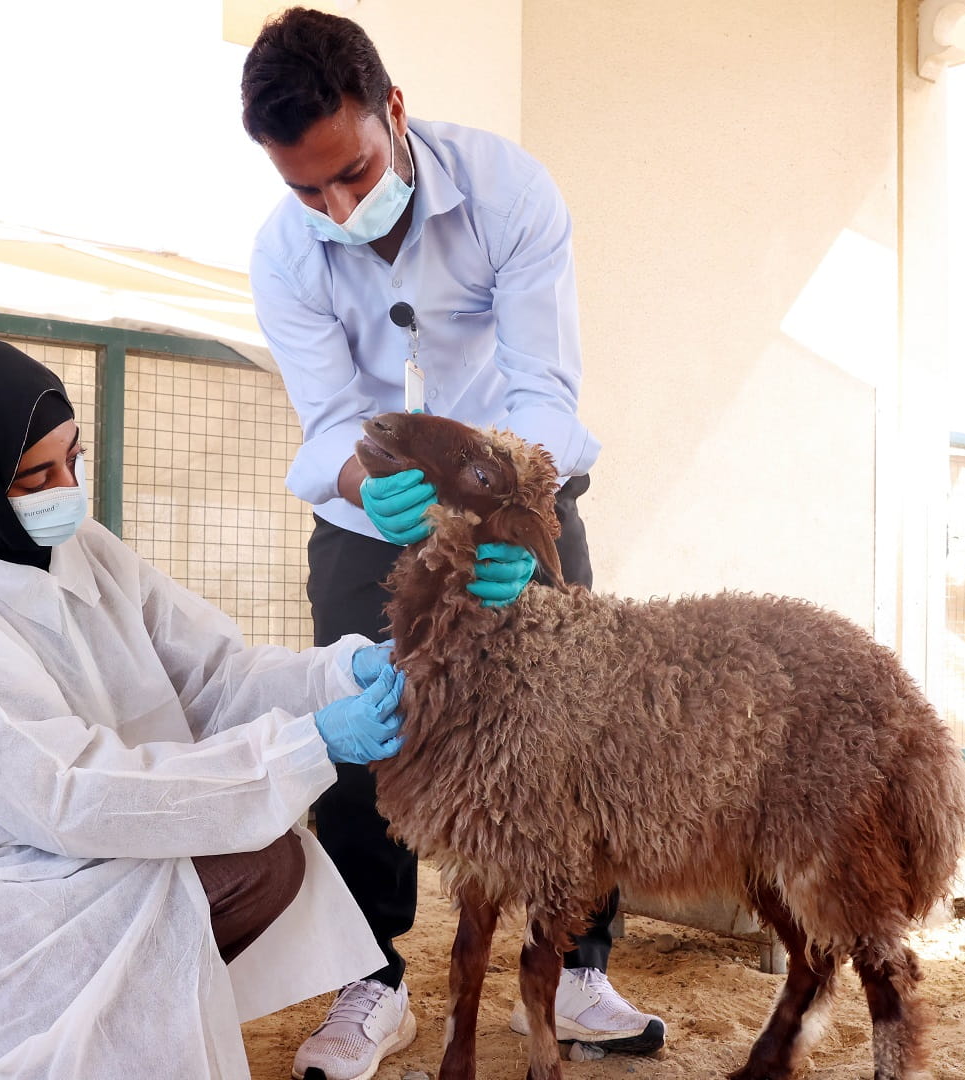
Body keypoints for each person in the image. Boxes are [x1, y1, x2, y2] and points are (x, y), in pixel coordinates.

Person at [241, 10, 665, 1078]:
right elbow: (329, 417)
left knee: (577, 727)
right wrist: (362, 483)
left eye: (352, 172)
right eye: (306, 190)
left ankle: (576, 969)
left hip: (520, 487)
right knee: (360, 732)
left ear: (393, 109)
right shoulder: (284, 255)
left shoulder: (509, 192)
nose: (336, 208)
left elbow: (544, 389)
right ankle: (368, 982)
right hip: (364, 524)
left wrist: (516, 510)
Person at [0, 336, 417, 1080]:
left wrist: (342, 672)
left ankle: (75, 1017)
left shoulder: (87, 549)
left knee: (266, 858)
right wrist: (307, 747)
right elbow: (65, 792)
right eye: (35, 475)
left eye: (72, 458)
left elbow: (214, 678)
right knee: (187, 889)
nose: (66, 488)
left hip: (78, 830)